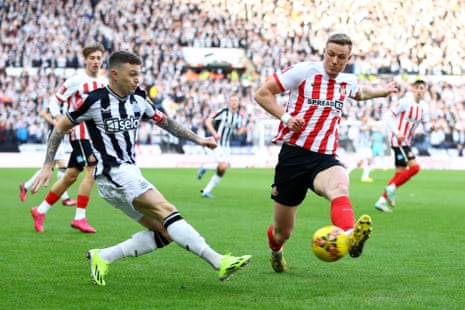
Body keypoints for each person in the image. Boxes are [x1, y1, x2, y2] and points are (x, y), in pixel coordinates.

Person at [31, 50, 251, 285]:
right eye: (132, 74)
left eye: (139, 74)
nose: (138, 79)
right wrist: (47, 166)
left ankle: (102, 256)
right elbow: (59, 128)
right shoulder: (95, 100)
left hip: (127, 174)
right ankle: (219, 262)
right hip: (113, 173)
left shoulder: (138, 99)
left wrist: (198, 139)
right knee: (167, 210)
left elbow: (166, 122)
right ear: (114, 74)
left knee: (164, 232)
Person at [253, 33, 398, 272]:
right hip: (293, 157)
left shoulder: (347, 81)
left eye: (341, 57)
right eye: (330, 54)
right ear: (324, 52)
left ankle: (351, 236)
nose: (334, 61)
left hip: (324, 158)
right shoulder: (303, 72)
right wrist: (286, 117)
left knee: (339, 186)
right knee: (282, 232)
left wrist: (382, 92)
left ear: (348, 58)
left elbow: (360, 93)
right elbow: (262, 93)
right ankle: (276, 250)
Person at [30, 42, 107, 233]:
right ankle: (80, 217)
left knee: (70, 176)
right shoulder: (76, 81)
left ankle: (40, 210)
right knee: (93, 170)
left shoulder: (105, 82)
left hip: (95, 135)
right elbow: (54, 100)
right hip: (80, 133)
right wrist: (58, 119)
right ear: (85, 60)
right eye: (92, 58)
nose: (95, 61)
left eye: (98, 58)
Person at [374, 79, 433, 213]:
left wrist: (432, 128)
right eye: (417, 88)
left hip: (406, 141)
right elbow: (388, 116)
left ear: (425, 91)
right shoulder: (405, 102)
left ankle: (381, 201)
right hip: (398, 140)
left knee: (399, 173)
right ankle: (391, 189)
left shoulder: (424, 107)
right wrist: (397, 132)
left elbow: (426, 127)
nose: (419, 90)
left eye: (422, 88)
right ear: (412, 89)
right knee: (415, 167)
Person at [19, 108, 76, 206]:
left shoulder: (67, 102)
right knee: (62, 167)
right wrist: (56, 123)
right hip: (55, 137)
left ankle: (26, 186)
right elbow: (42, 113)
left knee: (49, 168)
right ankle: (65, 198)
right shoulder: (58, 101)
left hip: (60, 136)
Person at [197, 95, 247, 198]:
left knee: (223, 169)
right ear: (229, 102)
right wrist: (214, 133)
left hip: (226, 146)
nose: (234, 103)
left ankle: (206, 190)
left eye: (235, 101)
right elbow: (208, 122)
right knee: (223, 166)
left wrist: (244, 130)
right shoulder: (223, 112)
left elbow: (237, 133)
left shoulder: (238, 117)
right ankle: (205, 168)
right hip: (217, 143)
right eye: (232, 100)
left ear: (238, 103)